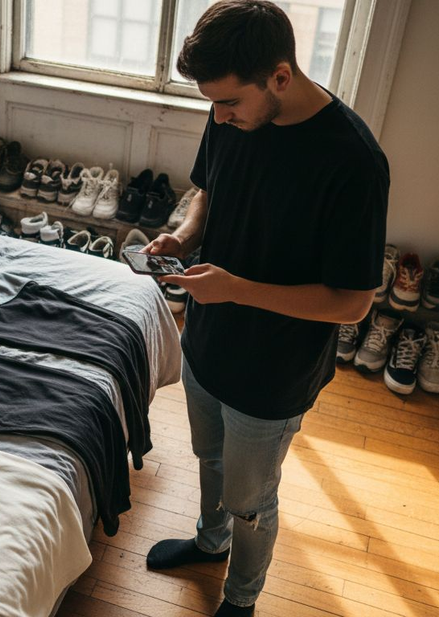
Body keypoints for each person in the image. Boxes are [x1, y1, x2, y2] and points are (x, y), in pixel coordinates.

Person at [141, 2, 389, 616]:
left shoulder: (354, 163)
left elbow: (354, 303)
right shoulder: (229, 112)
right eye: (214, 105)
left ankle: (242, 598)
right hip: (207, 340)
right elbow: (208, 192)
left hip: (274, 370)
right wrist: (185, 236)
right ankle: (209, 541)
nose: (219, 117)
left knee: (251, 497)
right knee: (209, 458)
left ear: (280, 76)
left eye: (229, 104)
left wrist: (238, 289)